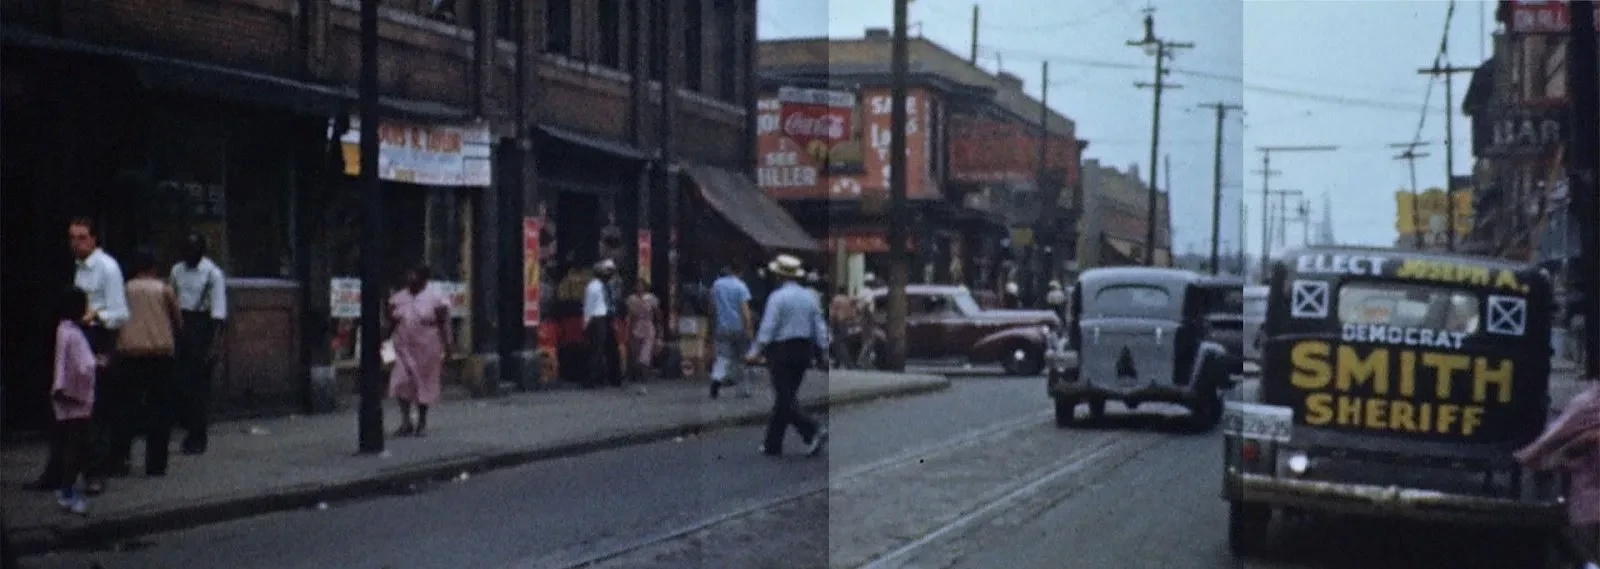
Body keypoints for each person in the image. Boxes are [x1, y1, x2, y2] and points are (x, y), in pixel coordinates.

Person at [32, 218, 129, 495]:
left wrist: (96, 316)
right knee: (65, 403)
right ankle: (57, 472)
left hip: (95, 336)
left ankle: (94, 473)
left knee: (91, 409)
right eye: (72, 237)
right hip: (74, 335)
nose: (76, 243)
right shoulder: (75, 268)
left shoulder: (107, 268)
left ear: (94, 239)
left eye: (82, 237)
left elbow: (120, 313)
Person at [745, 254, 829, 458]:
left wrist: (755, 352)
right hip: (803, 350)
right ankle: (772, 444)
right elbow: (819, 327)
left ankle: (812, 429)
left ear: (779, 276)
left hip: (781, 350)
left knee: (784, 396)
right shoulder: (810, 297)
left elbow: (768, 327)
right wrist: (824, 351)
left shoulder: (777, 297)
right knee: (786, 396)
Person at [112, 248, 183, 477]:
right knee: (160, 410)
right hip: (161, 354)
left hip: (130, 353)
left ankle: (121, 459)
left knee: (125, 409)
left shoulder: (124, 290)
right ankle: (156, 464)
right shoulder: (164, 290)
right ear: (153, 268)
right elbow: (178, 321)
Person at [170, 233, 227, 455]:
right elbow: (172, 298)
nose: (189, 254)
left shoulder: (213, 274)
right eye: (186, 249)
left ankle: (197, 437)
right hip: (182, 325)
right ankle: (187, 428)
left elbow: (218, 314)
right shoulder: (177, 271)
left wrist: (213, 347)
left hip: (202, 326)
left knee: (199, 390)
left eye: (194, 249)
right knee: (181, 385)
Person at [388, 266, 451, 437]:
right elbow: (391, 322)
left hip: (427, 345)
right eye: (408, 275)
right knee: (401, 381)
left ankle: (422, 422)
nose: (410, 279)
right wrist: (383, 340)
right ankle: (406, 421)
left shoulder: (436, 298)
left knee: (424, 383)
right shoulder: (399, 298)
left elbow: (442, 323)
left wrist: (448, 346)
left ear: (424, 279)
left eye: (414, 275)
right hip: (404, 344)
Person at [50, 287, 98, 515]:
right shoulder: (71, 333)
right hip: (75, 395)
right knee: (76, 445)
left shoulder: (66, 330)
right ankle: (68, 491)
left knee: (76, 444)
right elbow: (78, 364)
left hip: (72, 394)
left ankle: (70, 489)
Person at [708, 263, 754, 399]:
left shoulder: (716, 285)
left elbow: (712, 307)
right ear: (740, 272)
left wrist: (712, 326)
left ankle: (716, 379)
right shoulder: (741, 286)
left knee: (723, 357)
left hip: (722, 327)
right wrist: (749, 328)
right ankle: (744, 390)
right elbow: (745, 310)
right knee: (743, 358)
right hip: (739, 327)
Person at [584, 259, 622, 389]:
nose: (610, 274)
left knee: (612, 349)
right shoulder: (593, 286)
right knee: (597, 350)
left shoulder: (609, 285)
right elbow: (588, 306)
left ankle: (614, 377)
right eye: (608, 271)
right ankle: (592, 379)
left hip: (608, 317)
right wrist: (586, 322)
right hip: (597, 318)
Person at [623, 278, 662, 388]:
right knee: (636, 356)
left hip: (648, 329)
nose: (639, 288)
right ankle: (638, 376)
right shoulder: (631, 300)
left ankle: (643, 383)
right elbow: (629, 317)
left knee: (644, 357)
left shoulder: (651, 299)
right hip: (635, 329)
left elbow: (658, 316)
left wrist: (660, 333)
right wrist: (627, 332)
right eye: (637, 286)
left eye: (641, 286)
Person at [828, 286, 859, 368]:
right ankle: (837, 362)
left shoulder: (836, 299)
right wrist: (853, 321)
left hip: (838, 323)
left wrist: (830, 323)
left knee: (839, 343)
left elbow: (832, 313)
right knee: (842, 342)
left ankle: (847, 363)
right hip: (846, 323)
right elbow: (853, 312)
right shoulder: (847, 299)